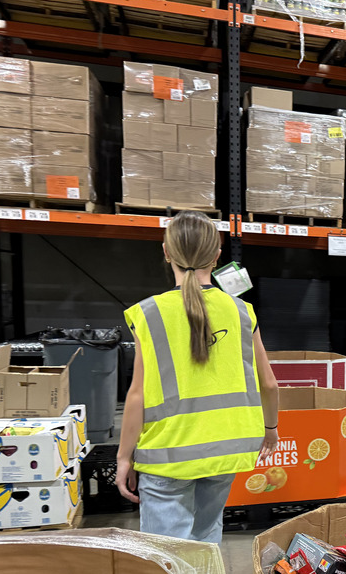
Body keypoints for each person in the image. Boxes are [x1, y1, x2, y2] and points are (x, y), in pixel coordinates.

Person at [116, 211, 280, 543]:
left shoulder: (149, 314)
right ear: (217, 256)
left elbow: (137, 396)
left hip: (167, 455)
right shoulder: (240, 311)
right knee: (206, 539)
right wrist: (271, 429)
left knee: (167, 555)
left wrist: (123, 456)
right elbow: (269, 383)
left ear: (166, 252)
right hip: (223, 450)